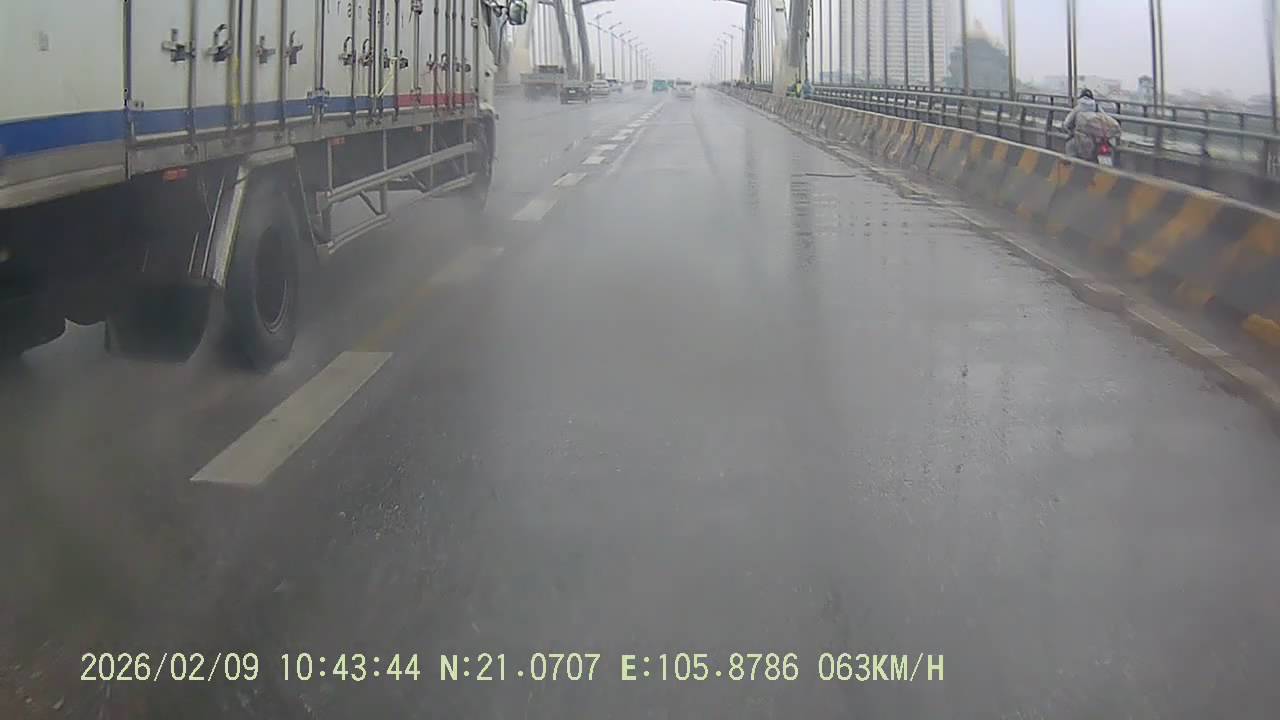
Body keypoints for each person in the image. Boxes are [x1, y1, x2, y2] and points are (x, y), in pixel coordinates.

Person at [1063, 88, 1120, 161]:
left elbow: (1067, 123)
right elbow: (1105, 118)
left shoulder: (1078, 108)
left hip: (1082, 140)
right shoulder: (1096, 107)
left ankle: (1073, 165)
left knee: (1070, 147)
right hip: (1097, 140)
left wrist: (1069, 130)